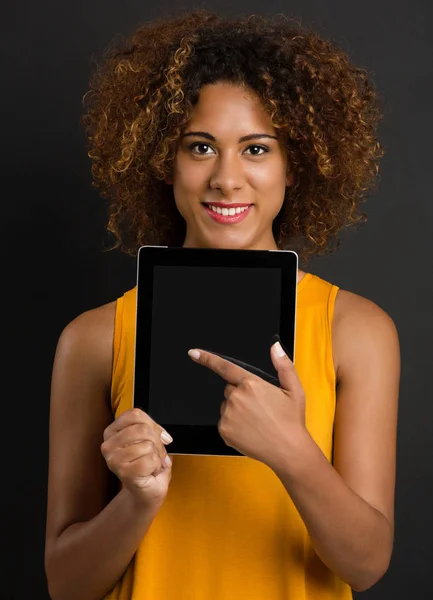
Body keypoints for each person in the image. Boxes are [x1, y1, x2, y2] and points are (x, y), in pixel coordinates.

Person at [44, 10, 400, 600]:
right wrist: (137, 502)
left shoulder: (356, 330)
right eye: (201, 147)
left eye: (257, 149)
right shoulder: (93, 337)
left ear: (296, 166)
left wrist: (295, 456)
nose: (227, 179)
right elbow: (66, 584)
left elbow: (365, 565)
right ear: (165, 162)